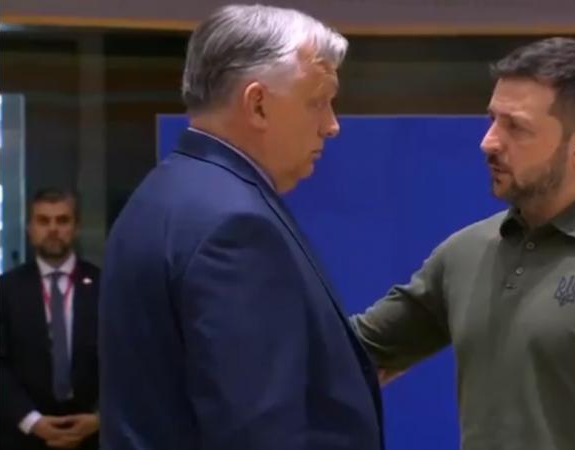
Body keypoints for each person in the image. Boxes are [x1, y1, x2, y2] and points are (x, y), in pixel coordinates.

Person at [352, 37, 575, 450]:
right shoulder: (465, 252)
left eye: (516, 127)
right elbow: (353, 351)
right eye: (492, 119)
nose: (488, 141)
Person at [99, 5, 382, 450]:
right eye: (318, 102)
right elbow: (257, 431)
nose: (332, 126)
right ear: (258, 104)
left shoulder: (160, 195)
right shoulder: (235, 227)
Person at [0, 188, 101, 450]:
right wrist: (32, 421)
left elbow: (123, 359)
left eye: (63, 220)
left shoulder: (105, 286)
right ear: (30, 229)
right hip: (23, 436)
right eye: (43, 221)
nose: (53, 229)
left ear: (76, 228)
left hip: (93, 435)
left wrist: (100, 416)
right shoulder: (6, 290)